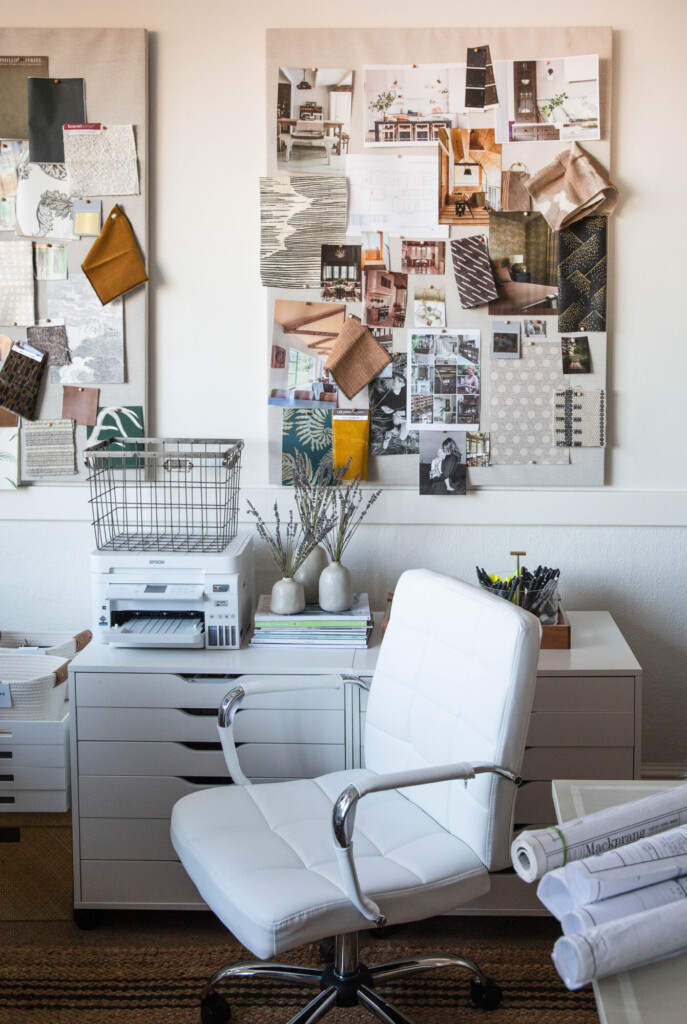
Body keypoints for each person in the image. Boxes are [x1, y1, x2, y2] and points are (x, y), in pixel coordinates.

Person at [376, 372, 409, 450]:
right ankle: (391, 433)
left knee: (401, 436)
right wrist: (382, 407)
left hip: (404, 417)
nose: (402, 381)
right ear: (393, 385)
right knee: (402, 437)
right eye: (399, 380)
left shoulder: (405, 389)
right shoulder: (388, 397)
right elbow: (384, 412)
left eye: (401, 379)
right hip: (398, 419)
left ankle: (390, 434)